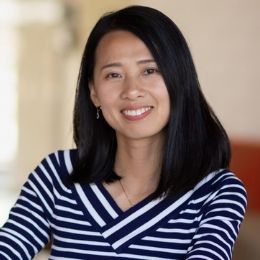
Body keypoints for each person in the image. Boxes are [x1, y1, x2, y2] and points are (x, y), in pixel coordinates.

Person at [0, 5, 247, 260]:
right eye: (113, 74)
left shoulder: (218, 192)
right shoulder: (56, 174)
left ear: (178, 80)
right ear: (94, 92)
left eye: (149, 70)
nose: (131, 90)